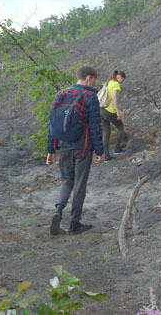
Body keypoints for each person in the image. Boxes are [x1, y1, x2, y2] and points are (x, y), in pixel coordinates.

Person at [46, 66, 104, 236]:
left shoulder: (61, 94)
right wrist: (100, 151)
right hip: (83, 148)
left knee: (66, 181)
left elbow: (52, 124)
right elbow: (95, 126)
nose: (94, 83)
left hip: (63, 146)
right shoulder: (90, 96)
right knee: (79, 185)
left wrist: (51, 149)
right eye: (94, 79)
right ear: (88, 77)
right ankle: (74, 224)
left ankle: (58, 210)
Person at [101, 70, 127, 161]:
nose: (122, 82)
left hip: (102, 110)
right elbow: (114, 98)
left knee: (106, 133)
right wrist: (118, 112)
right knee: (120, 126)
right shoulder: (116, 84)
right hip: (110, 111)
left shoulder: (108, 82)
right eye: (122, 80)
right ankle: (117, 148)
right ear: (119, 77)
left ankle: (106, 157)